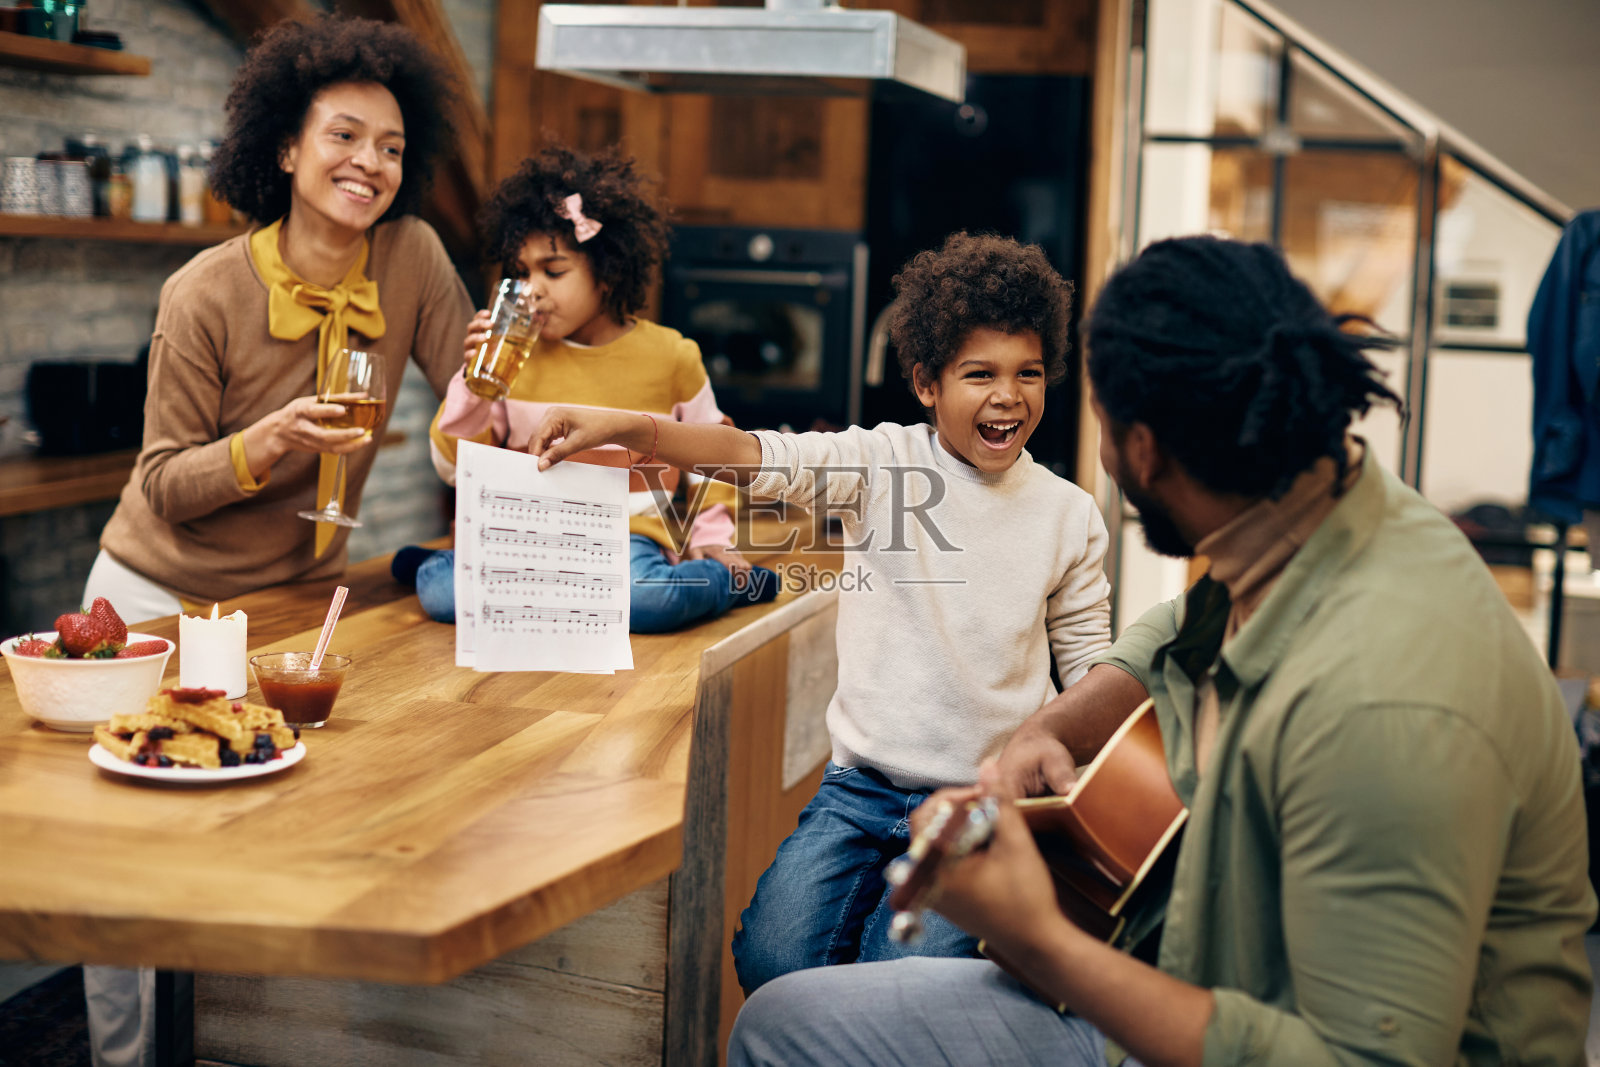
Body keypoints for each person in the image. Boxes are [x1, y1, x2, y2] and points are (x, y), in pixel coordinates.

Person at [724, 235, 1597, 1067]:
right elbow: (1176, 631)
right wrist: (1055, 724)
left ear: (1141, 449)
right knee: (790, 1003)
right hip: (1208, 965)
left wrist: (1043, 943)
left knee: (786, 1033)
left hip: (1255, 1031)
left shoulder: (1384, 710)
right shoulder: (1318, 500)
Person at [526, 232, 1114, 993]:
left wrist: (1062, 779)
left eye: (1027, 373)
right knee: (770, 961)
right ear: (927, 384)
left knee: (898, 982)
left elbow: (1095, 668)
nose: (1008, 395)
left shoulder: (1070, 514)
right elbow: (756, 456)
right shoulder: (878, 464)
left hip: (982, 806)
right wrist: (634, 430)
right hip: (860, 789)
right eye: (980, 374)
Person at [80, 17, 474, 1067]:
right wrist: (265, 443)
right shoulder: (204, 291)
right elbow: (164, 483)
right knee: (126, 857)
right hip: (156, 595)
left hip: (290, 604)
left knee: (268, 830)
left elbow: (468, 404)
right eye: (345, 136)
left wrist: (487, 417)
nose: (370, 164)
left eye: (391, 147)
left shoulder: (414, 255)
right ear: (287, 149)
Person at [405, 143, 778, 632]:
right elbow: (454, 467)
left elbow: (714, 457)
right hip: (529, 539)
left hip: (625, 540)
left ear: (608, 271)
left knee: (648, 602)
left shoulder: (671, 356)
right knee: (437, 592)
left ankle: (729, 581)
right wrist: (474, 382)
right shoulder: (511, 357)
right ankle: (546, 596)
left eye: (553, 271)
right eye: (521, 272)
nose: (532, 288)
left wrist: (713, 538)